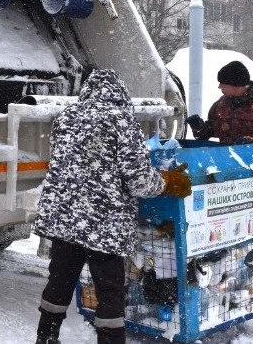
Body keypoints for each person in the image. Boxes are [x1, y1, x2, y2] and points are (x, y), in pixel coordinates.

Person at [33, 69, 192, 344]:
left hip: (65, 221)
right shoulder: (121, 120)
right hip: (102, 225)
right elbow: (139, 181)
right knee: (110, 292)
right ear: (119, 92)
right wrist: (166, 182)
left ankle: (46, 337)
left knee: (59, 281)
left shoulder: (66, 117)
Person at [186, 61, 253, 152]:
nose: (219, 87)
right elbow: (211, 130)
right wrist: (200, 128)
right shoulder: (220, 104)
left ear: (236, 84)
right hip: (224, 160)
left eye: (223, 83)